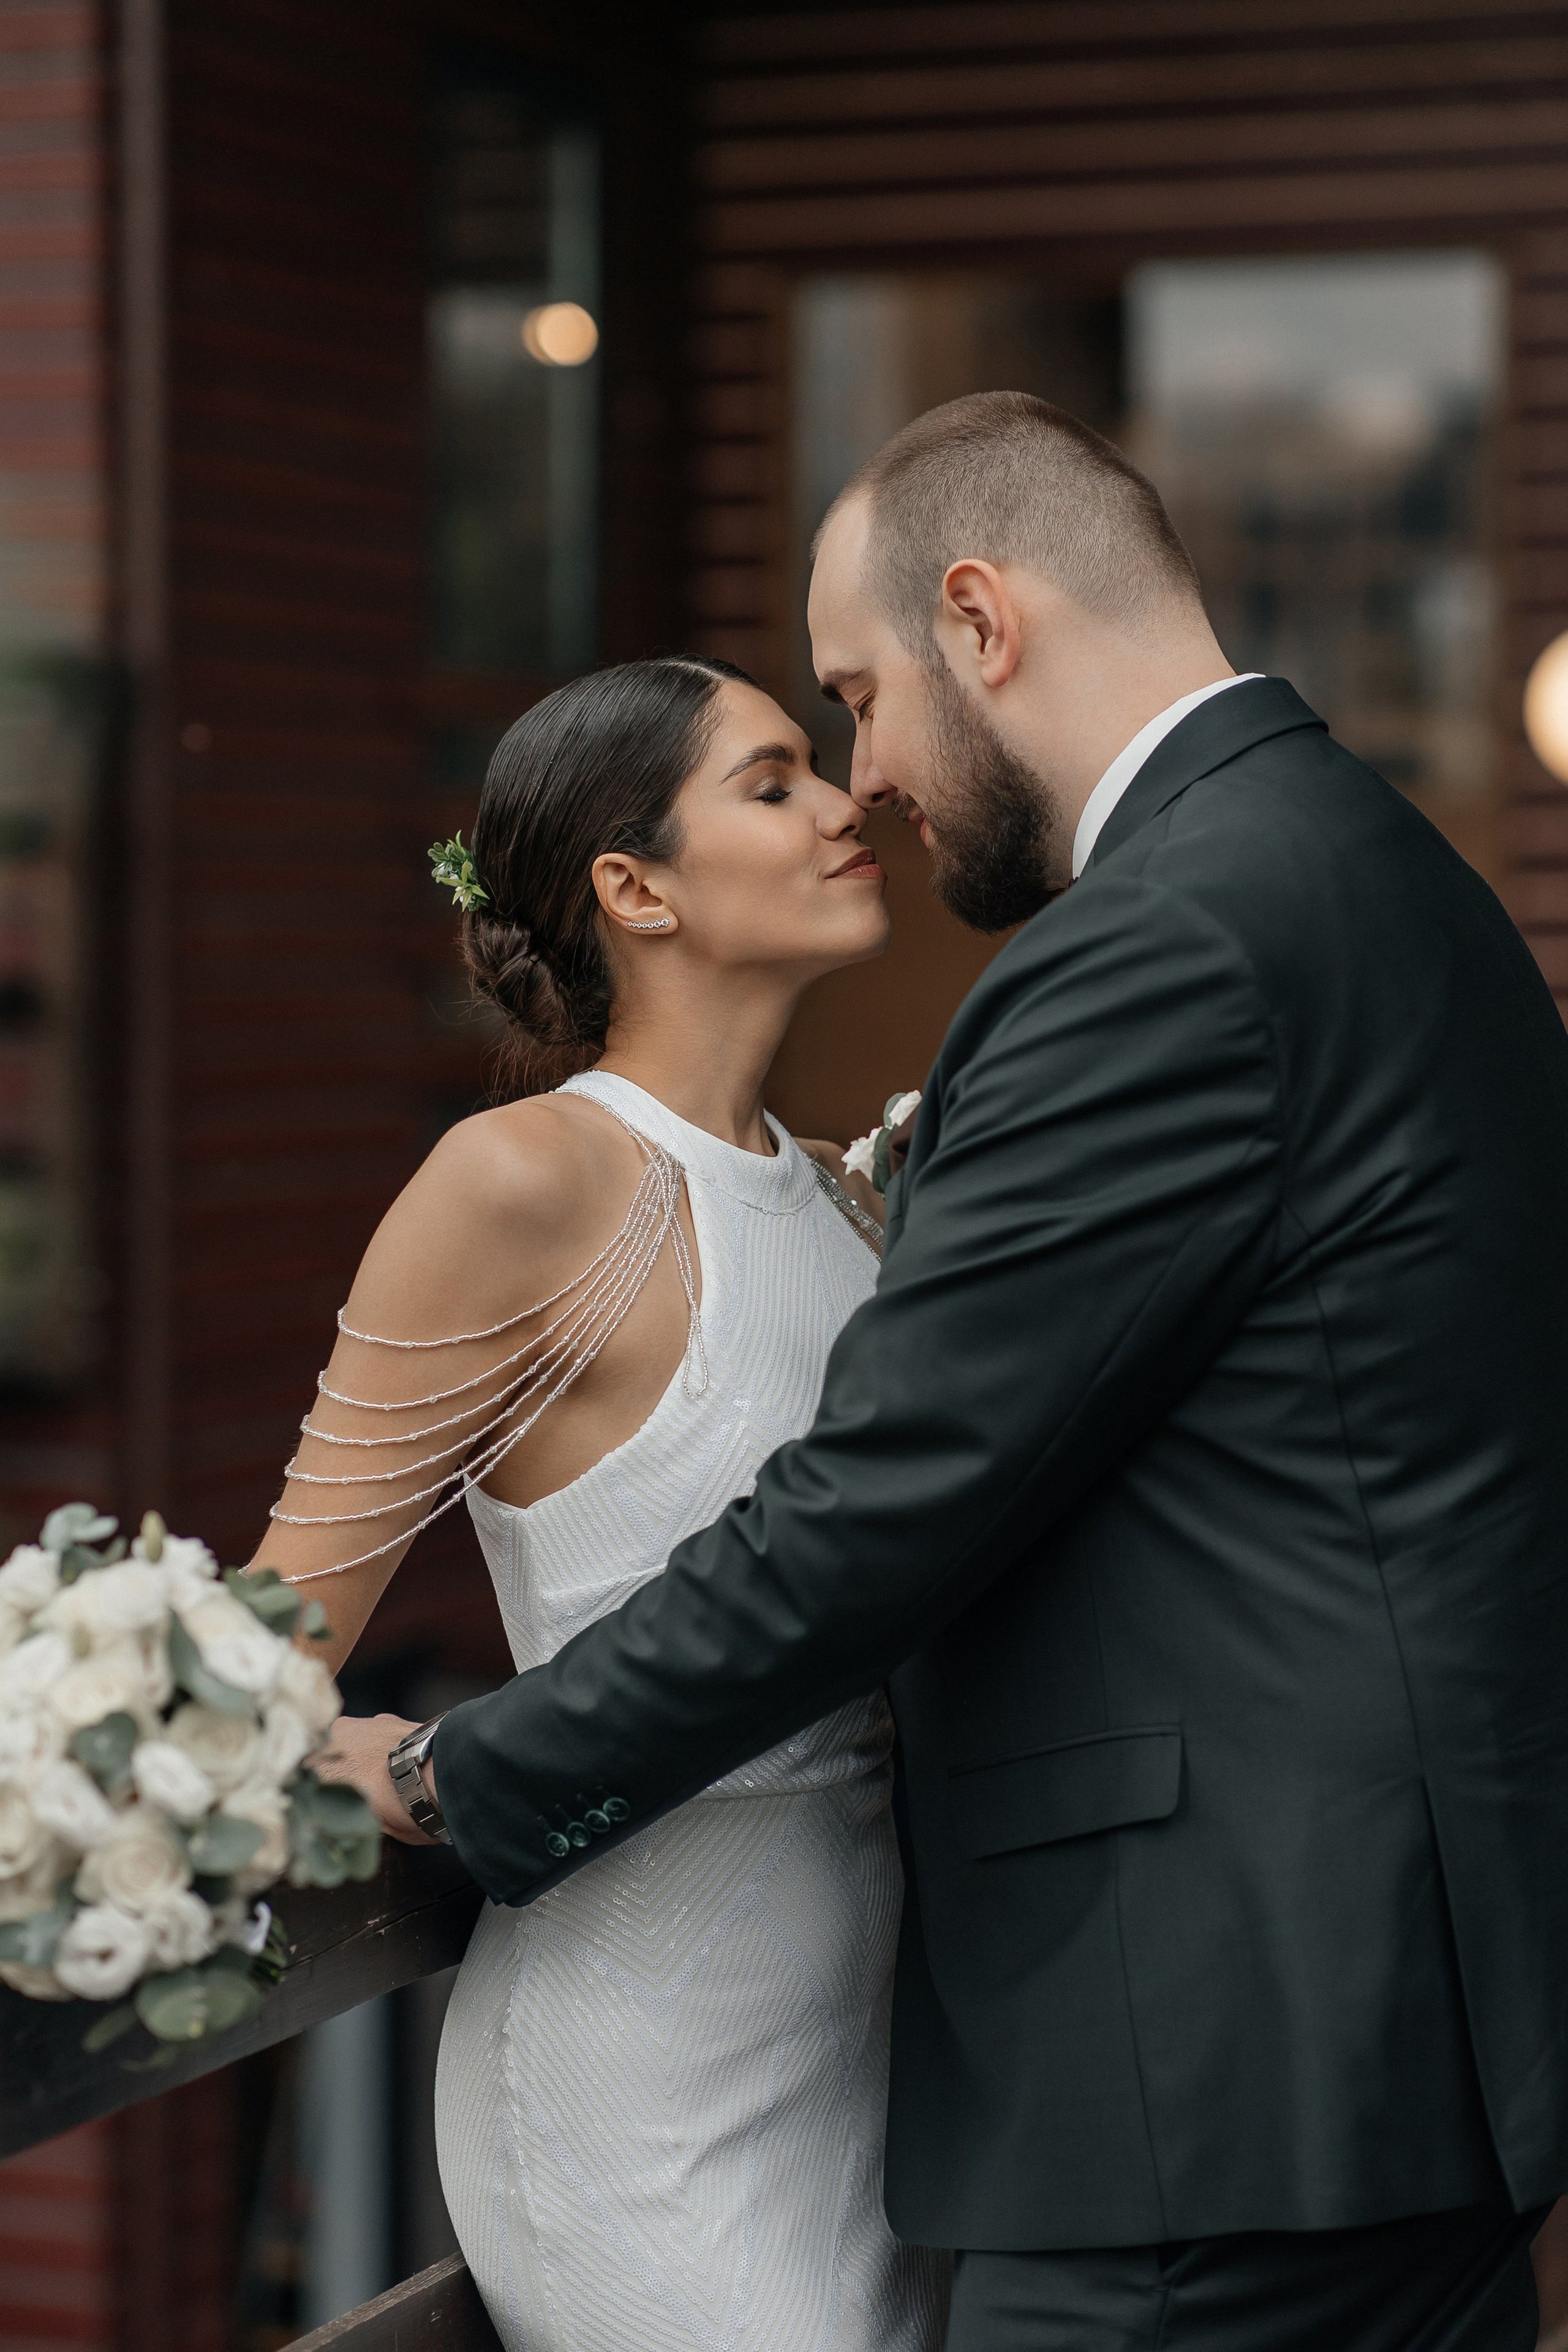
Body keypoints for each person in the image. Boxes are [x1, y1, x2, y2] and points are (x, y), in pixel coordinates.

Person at [324, 392, 1568, 2352]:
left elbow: (885, 1506)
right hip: (1368, 2037)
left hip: (1212, 2067)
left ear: (981, 620)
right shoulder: (1384, 873)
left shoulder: (1165, 945)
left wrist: (452, 1776)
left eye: (861, 695)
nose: (869, 776)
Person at [260, 654, 949, 2351]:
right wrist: (370, 1765)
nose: (845, 801)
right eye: (772, 781)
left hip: (867, 2067)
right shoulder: (530, 1183)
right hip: (641, 2087)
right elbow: (262, 1644)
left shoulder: (847, 1206)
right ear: (633, 887)